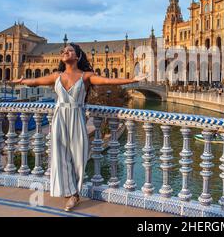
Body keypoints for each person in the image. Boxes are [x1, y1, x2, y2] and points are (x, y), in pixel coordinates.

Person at [11, 43, 148, 212]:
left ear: (77, 56)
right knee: (60, 157)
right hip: (59, 118)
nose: (65, 52)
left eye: (69, 50)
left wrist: (133, 79)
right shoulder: (56, 76)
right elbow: (35, 81)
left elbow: (108, 81)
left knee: (78, 158)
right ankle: (72, 195)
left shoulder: (86, 76)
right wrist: (22, 80)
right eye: (63, 51)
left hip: (76, 118)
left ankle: (73, 191)